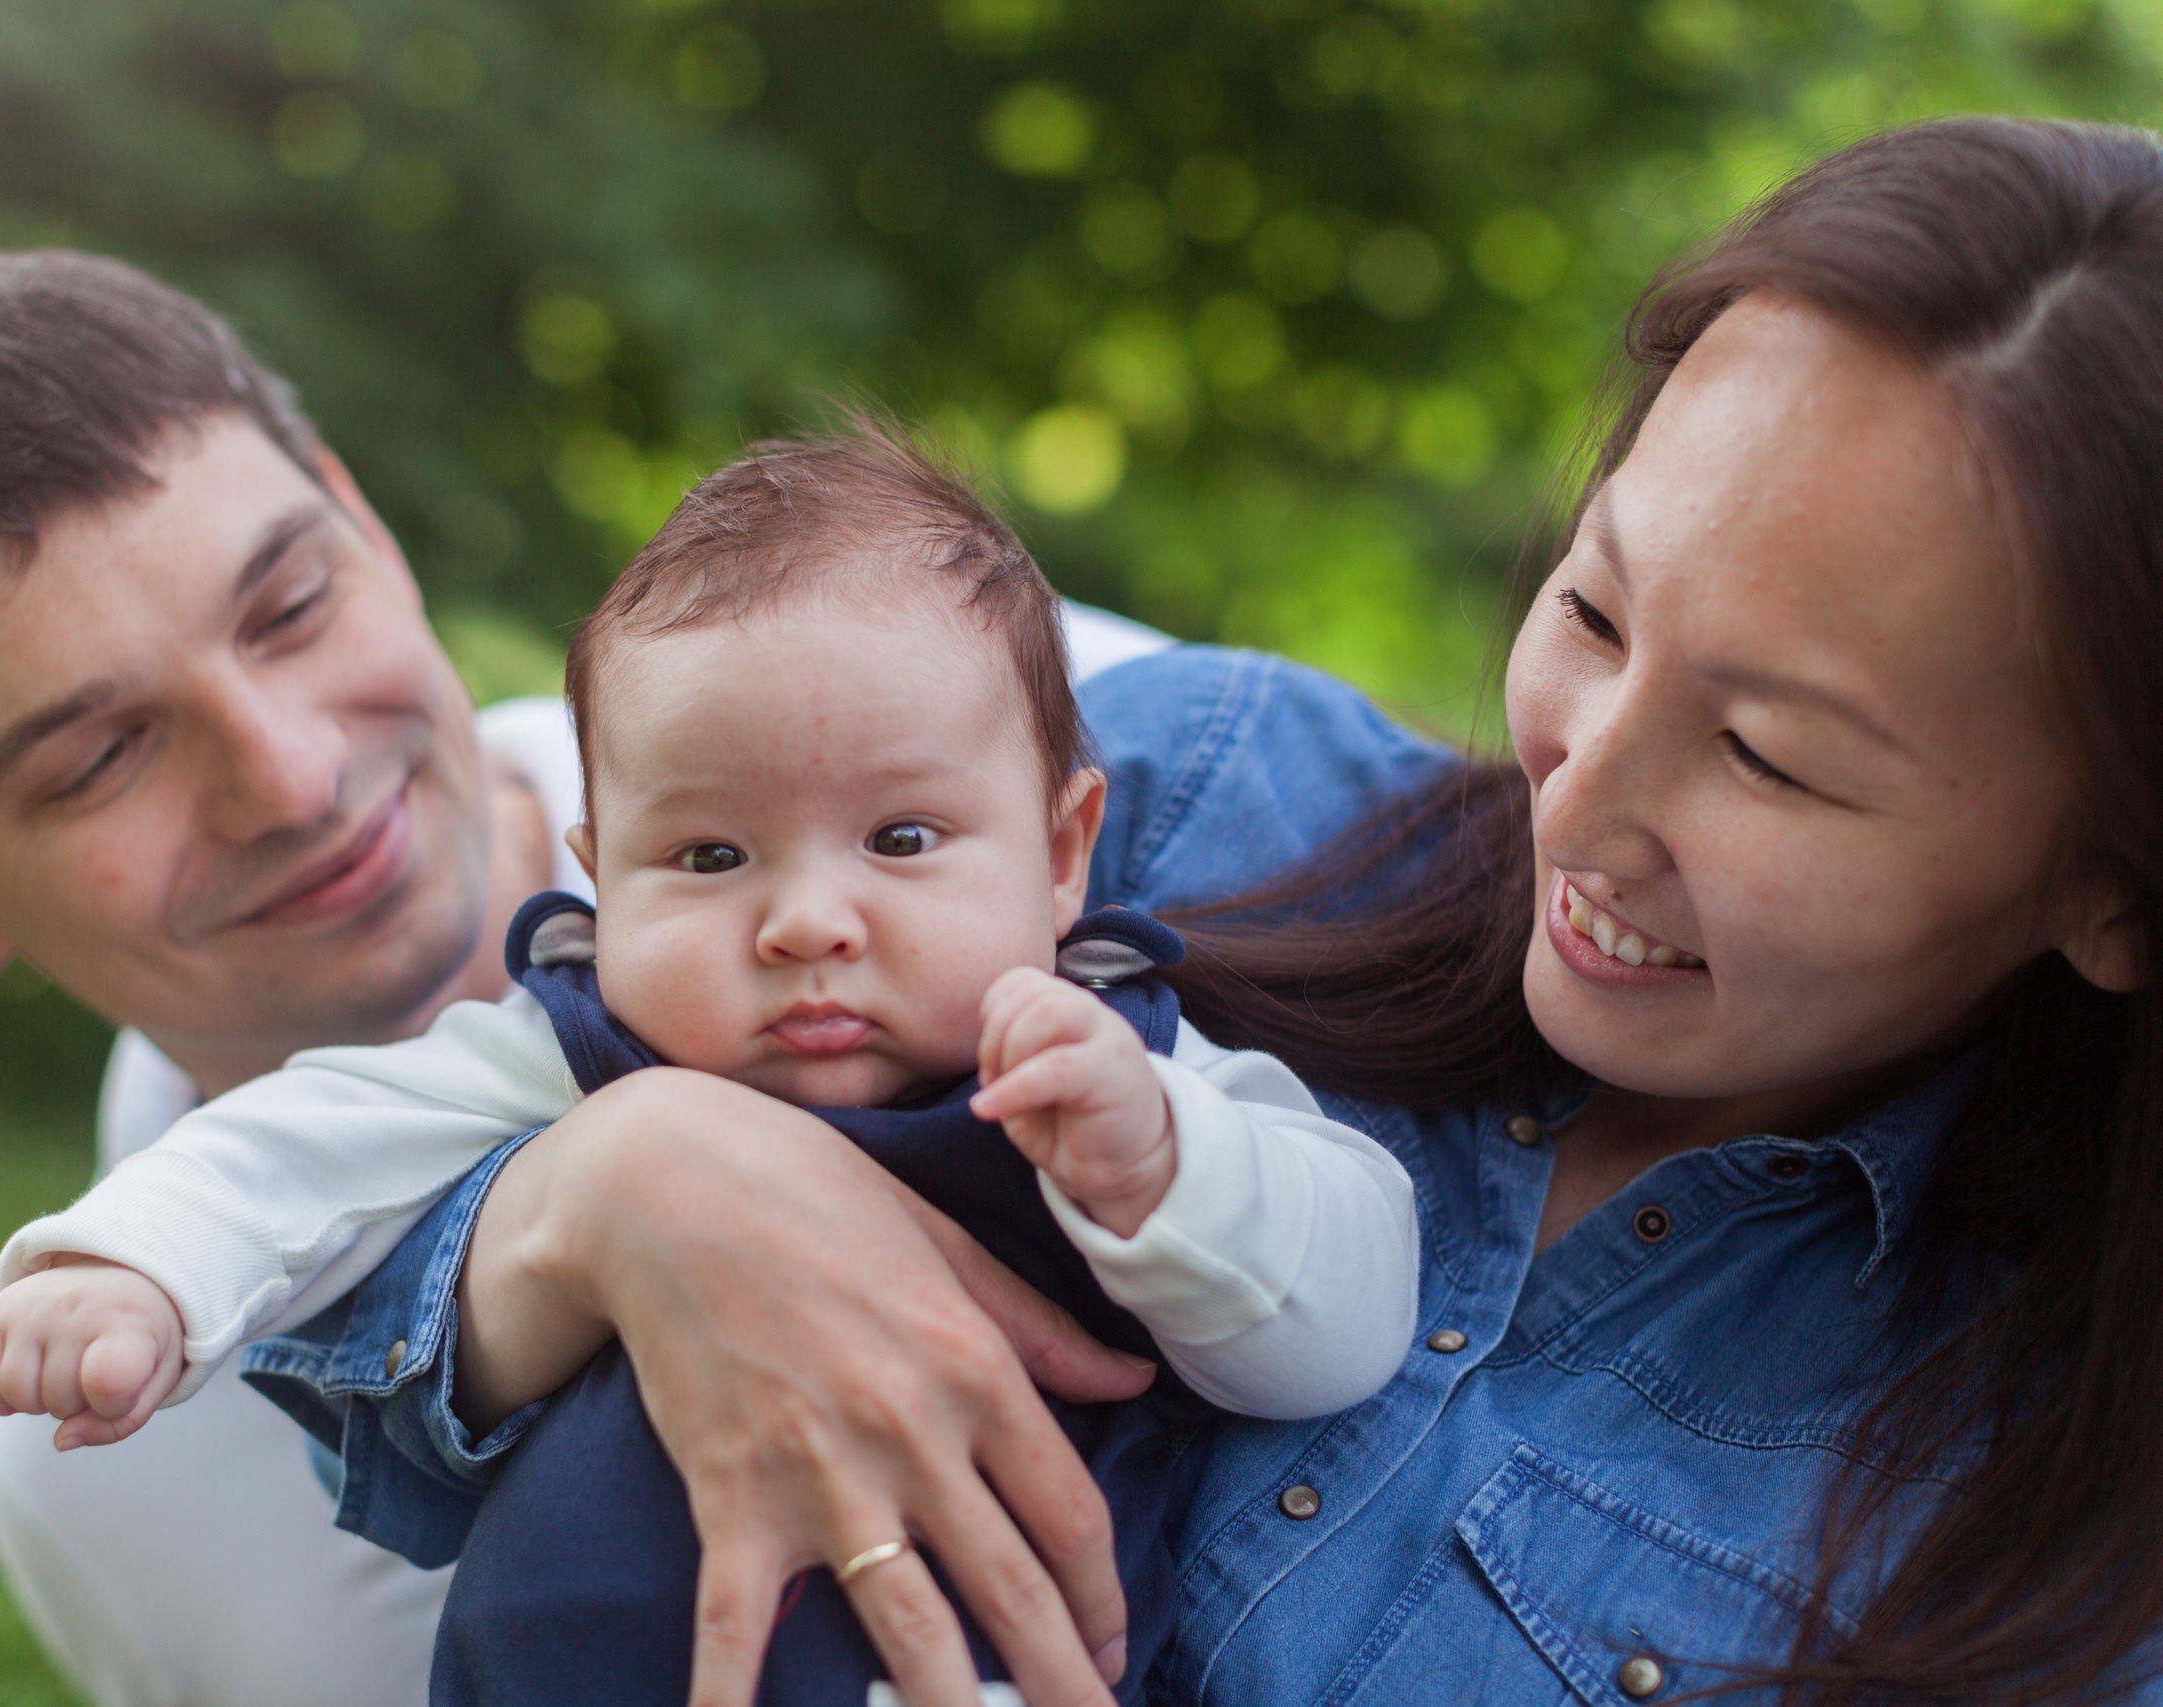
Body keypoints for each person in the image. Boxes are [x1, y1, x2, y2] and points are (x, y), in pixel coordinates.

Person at [264, 116, 2163, 1707]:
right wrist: (621, 1188)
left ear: (2108, 883)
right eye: (1592, 611)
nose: (1577, 788)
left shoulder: (2062, 1539)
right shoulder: (1190, 792)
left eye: (1769, 756)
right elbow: (344, 1323)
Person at [0, 246, 1179, 1707]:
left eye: (289, 607)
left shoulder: (1004, 706)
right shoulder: (102, 1479)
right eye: (100, 756)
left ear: (363, 524)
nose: (295, 773)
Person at [0, 425, 1420, 1704]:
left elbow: (1348, 1325)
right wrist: (127, 1266)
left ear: (1057, 852)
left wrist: (1167, 1171)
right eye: (709, 857)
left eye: (901, 841)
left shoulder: (1120, 1072)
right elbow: (304, 1136)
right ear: (607, 881)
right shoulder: (569, 1054)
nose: (803, 923)